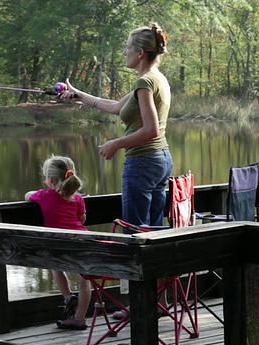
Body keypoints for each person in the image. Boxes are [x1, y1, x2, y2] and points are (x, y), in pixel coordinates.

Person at [60, 23, 173, 319]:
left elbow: (149, 129)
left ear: (139, 52)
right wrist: (79, 95)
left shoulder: (145, 83)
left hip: (143, 161)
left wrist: (117, 143)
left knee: (135, 237)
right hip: (160, 161)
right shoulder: (154, 79)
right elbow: (113, 107)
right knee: (154, 233)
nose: (123, 52)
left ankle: (142, 306)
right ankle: (156, 303)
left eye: (126, 48)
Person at [24, 154, 91, 330]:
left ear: (51, 180)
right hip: (82, 241)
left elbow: (27, 195)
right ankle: (79, 317)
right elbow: (82, 219)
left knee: (56, 267)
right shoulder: (77, 198)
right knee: (84, 280)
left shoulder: (44, 196)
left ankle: (68, 296)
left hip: (59, 245)